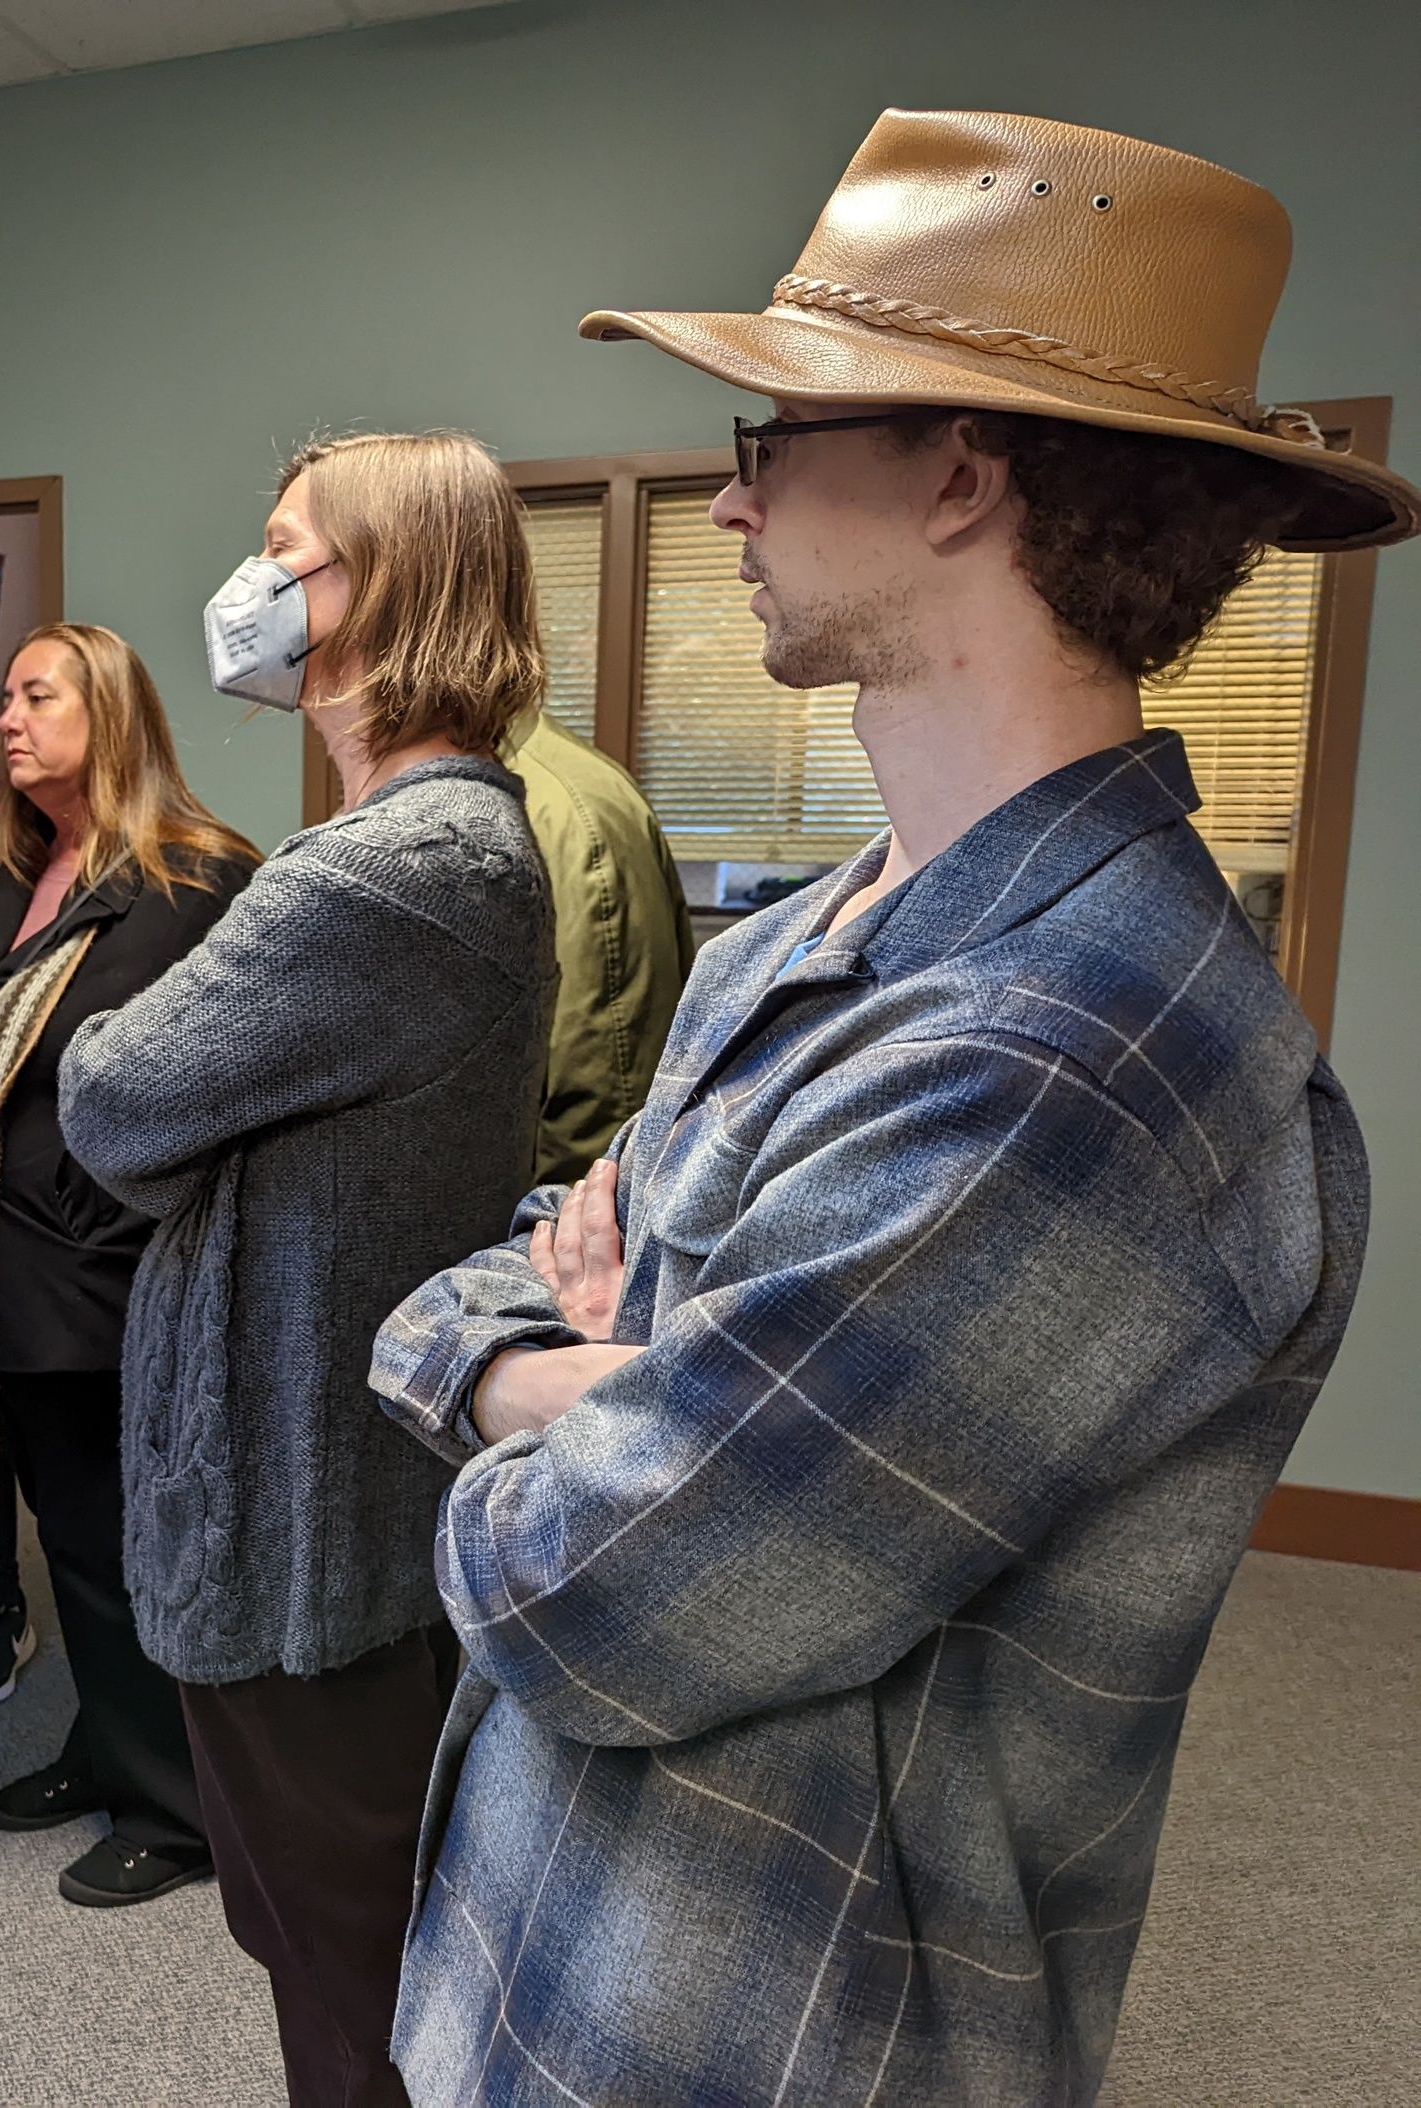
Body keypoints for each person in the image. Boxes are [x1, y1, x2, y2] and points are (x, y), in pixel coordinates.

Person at [370, 109, 1410, 2107]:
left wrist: (554, 1383)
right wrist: (594, 1370)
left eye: (770, 440)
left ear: (957, 475)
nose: (729, 503)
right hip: (551, 1956)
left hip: (757, 2038)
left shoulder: (1073, 1057)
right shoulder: (818, 927)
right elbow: (489, 1281)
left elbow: (588, 1594)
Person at [57, 433, 556, 2105]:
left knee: (352, 1971)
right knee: (325, 1939)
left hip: (302, 1519)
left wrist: (162, 1092)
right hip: (320, 1488)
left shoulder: (397, 870)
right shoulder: (408, 842)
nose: (250, 587)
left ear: (390, 587)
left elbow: (110, 1095)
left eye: (287, 551)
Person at [0, 622, 258, 1907]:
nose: (5, 716)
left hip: (108, 1283)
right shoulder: (23, 873)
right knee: (64, 1535)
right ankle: (106, 1742)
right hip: (5, 1276)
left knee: (118, 1543)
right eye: (2, 696)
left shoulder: (194, 878)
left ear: (108, 712)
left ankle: (177, 1801)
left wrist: (101, 1225)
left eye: (35, 694)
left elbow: (221, 1086)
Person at [503, 706, 697, 1184]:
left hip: (545, 1223)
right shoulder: (523, 785)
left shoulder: (559, 807)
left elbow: (599, 1096)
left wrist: (538, 1239)